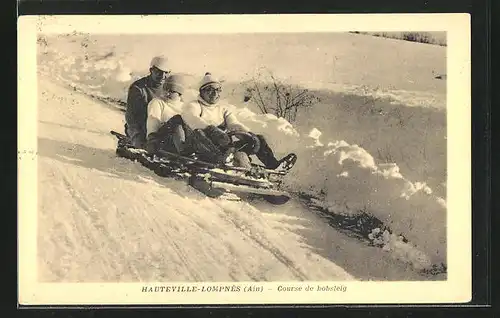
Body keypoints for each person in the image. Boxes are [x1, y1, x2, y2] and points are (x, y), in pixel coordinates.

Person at [180, 72, 297, 171]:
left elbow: (233, 124)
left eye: (217, 90)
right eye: (209, 90)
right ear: (201, 92)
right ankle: (223, 160)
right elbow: (192, 119)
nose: (214, 93)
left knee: (258, 139)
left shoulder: (223, 109)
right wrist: (211, 129)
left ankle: (274, 166)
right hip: (200, 147)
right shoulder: (194, 105)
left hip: (223, 147)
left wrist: (248, 134)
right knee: (199, 133)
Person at [124, 55, 171, 149]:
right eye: (159, 72)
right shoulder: (138, 88)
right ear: (151, 70)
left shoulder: (170, 88)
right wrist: (136, 136)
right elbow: (131, 116)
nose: (162, 76)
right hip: (142, 127)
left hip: (160, 127)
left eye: (166, 73)